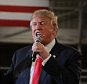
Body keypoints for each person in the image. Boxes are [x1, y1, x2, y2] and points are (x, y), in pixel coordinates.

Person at [0, 9, 81, 84]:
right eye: (34, 24)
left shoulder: (70, 55)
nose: (37, 28)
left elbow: (71, 81)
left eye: (42, 23)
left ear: (54, 29)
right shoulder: (20, 54)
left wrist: (46, 57)